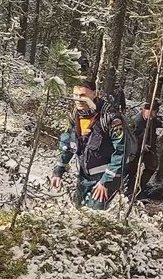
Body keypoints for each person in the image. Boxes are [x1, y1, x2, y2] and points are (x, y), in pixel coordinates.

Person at [49, 80, 127, 210]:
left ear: (94, 94)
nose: (78, 99)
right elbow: (68, 143)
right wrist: (58, 170)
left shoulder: (110, 117)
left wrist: (106, 180)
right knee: (79, 212)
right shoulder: (75, 115)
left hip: (105, 175)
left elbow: (121, 150)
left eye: (83, 95)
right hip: (84, 175)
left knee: (93, 215)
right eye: (75, 95)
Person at [129, 102, 163, 195]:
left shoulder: (152, 120)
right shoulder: (137, 121)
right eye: (150, 113)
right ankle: (130, 191)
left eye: (153, 114)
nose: (151, 116)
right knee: (132, 170)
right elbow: (132, 138)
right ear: (144, 110)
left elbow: (158, 123)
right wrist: (141, 145)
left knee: (152, 165)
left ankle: (140, 187)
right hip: (135, 150)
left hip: (148, 149)